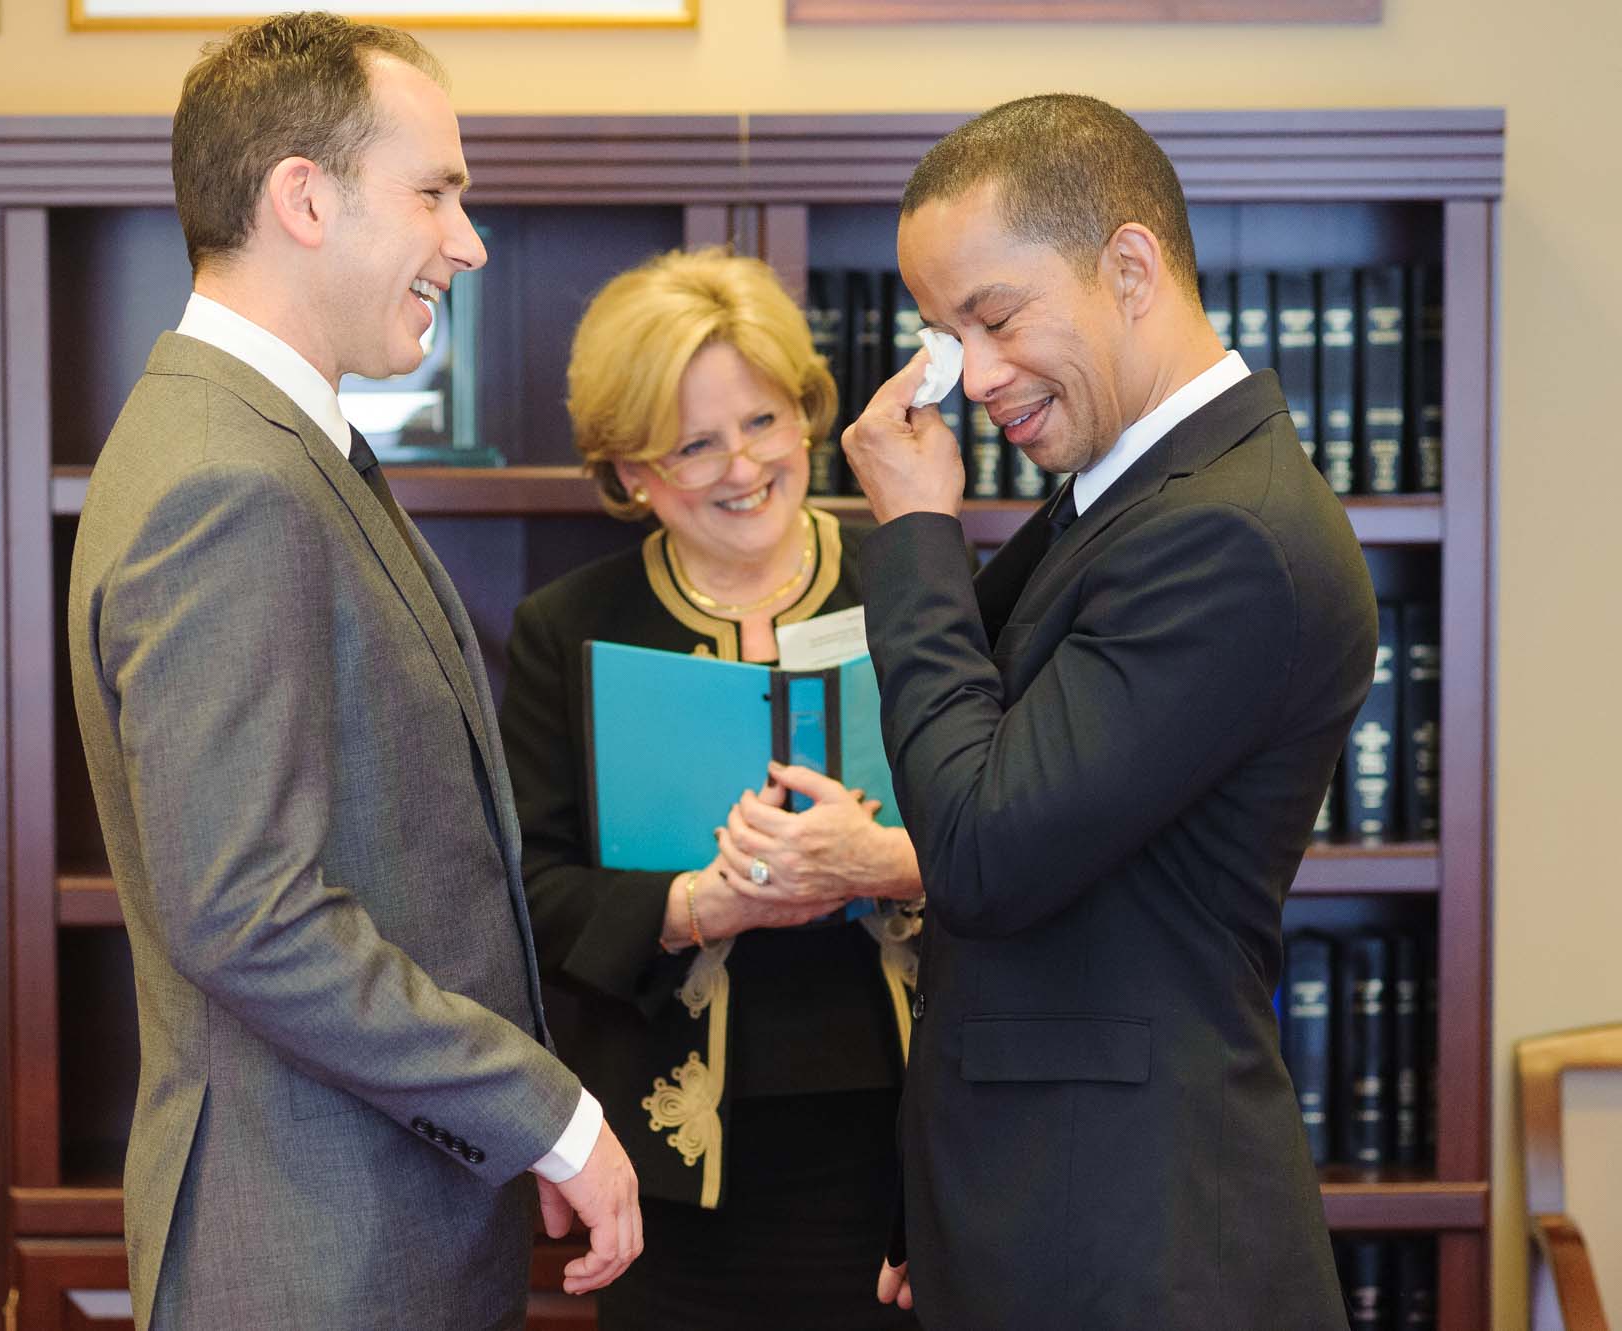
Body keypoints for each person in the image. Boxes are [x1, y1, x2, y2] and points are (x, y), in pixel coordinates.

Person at [65, 14, 640, 1329]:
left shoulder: (267, 442)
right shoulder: (230, 478)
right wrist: (539, 1112)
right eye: (435, 192)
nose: (468, 240)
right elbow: (248, 915)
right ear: (303, 198)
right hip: (315, 1263)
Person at [842, 95, 1375, 1330]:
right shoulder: (1136, 495)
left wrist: (916, 534)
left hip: (1133, 1244)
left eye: (994, 316)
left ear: (1128, 266)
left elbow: (979, 851)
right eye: (942, 332)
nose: (971, 377)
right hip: (1047, 1208)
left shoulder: (1225, 531)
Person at [500, 248, 925, 1330]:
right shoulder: (570, 628)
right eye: (693, 443)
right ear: (631, 468)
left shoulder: (914, 582)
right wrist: (694, 904)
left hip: (912, 1148)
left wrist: (886, 857)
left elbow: (1016, 825)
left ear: (804, 416)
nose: (743, 466)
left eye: (763, 421)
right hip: (673, 1165)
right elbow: (526, 890)